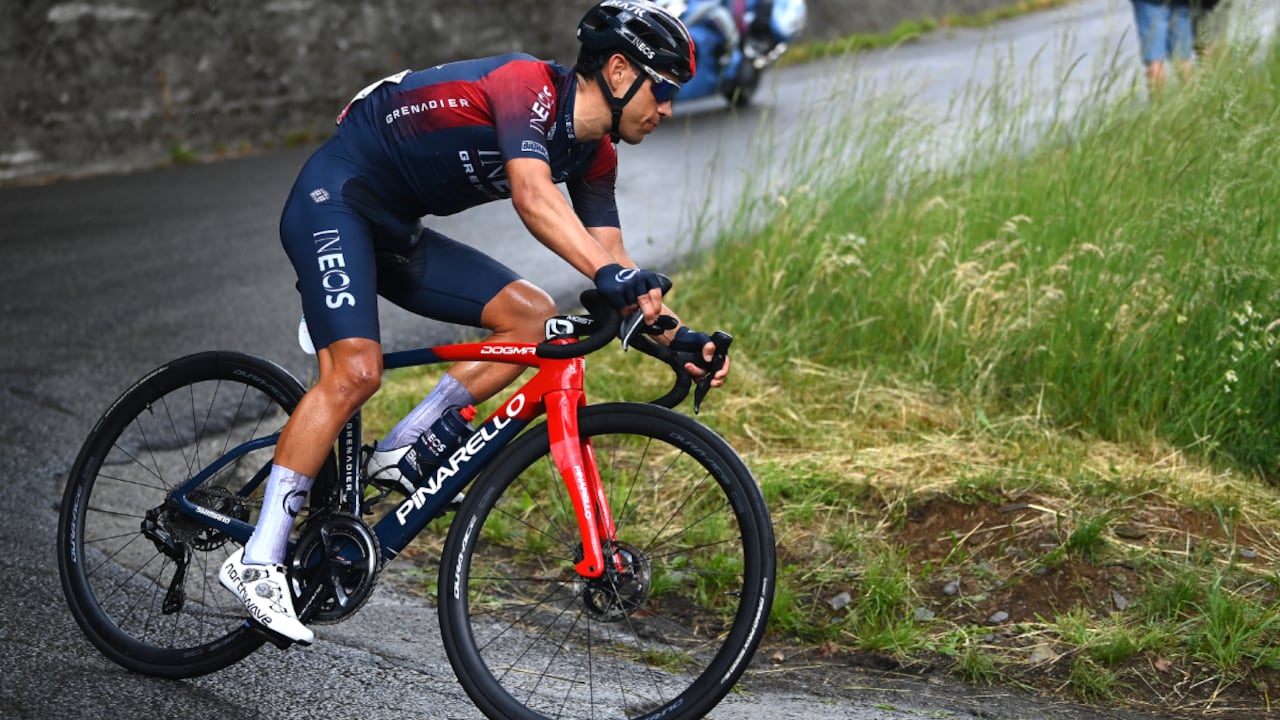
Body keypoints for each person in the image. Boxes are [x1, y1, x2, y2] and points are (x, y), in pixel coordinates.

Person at [218, 0, 731, 646]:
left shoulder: (595, 156)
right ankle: (259, 559)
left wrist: (678, 338)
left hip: (397, 233)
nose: (669, 110)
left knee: (534, 316)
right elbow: (532, 194)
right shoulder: (527, 88)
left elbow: (615, 263)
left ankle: (408, 442)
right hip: (337, 198)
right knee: (355, 371)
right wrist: (609, 277)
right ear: (621, 71)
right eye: (664, 90)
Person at [1131, 0, 1196, 92]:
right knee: (1183, 60)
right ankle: (1195, 102)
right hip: (1182, 3)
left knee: (1155, 62)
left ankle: (1158, 105)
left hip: (1150, 3)